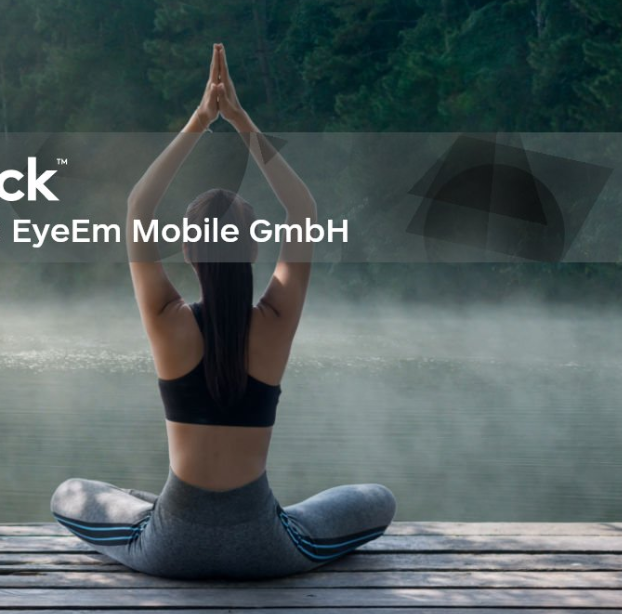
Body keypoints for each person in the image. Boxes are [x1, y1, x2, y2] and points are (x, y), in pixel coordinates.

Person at [49, 43, 395, 578]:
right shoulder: (274, 323)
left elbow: (139, 205)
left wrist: (198, 121)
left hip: (171, 547)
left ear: (188, 252)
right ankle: (202, 512)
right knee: (378, 498)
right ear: (254, 250)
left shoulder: (168, 320)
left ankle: (145, 507)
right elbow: (303, 209)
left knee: (69, 493)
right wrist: (240, 121)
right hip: (266, 549)